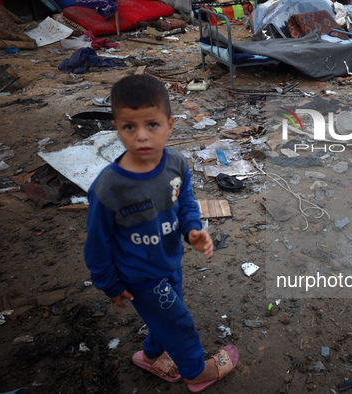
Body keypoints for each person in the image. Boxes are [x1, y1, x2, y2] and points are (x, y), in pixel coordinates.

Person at [84, 74, 238, 393]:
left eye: (151, 124)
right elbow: (97, 243)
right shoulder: (108, 188)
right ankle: (195, 371)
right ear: (117, 127)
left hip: (170, 262)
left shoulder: (177, 164)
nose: (142, 136)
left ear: (169, 125)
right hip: (140, 276)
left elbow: (185, 201)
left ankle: (151, 354)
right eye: (130, 126)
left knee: (167, 313)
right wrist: (109, 283)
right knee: (178, 322)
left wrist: (193, 230)